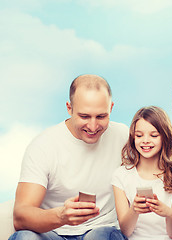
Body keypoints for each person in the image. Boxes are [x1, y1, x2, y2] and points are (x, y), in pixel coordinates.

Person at [9, 74, 129, 240]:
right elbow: (20, 216)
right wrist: (61, 216)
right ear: (69, 108)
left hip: (101, 231)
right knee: (24, 237)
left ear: (111, 108)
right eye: (84, 116)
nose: (93, 126)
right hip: (53, 234)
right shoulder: (43, 146)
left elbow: (160, 159)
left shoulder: (123, 135)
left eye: (101, 116)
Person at [111, 106, 172, 240]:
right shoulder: (121, 175)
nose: (145, 140)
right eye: (139, 135)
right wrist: (134, 209)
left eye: (154, 135)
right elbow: (126, 231)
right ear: (133, 137)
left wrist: (168, 214)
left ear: (165, 137)